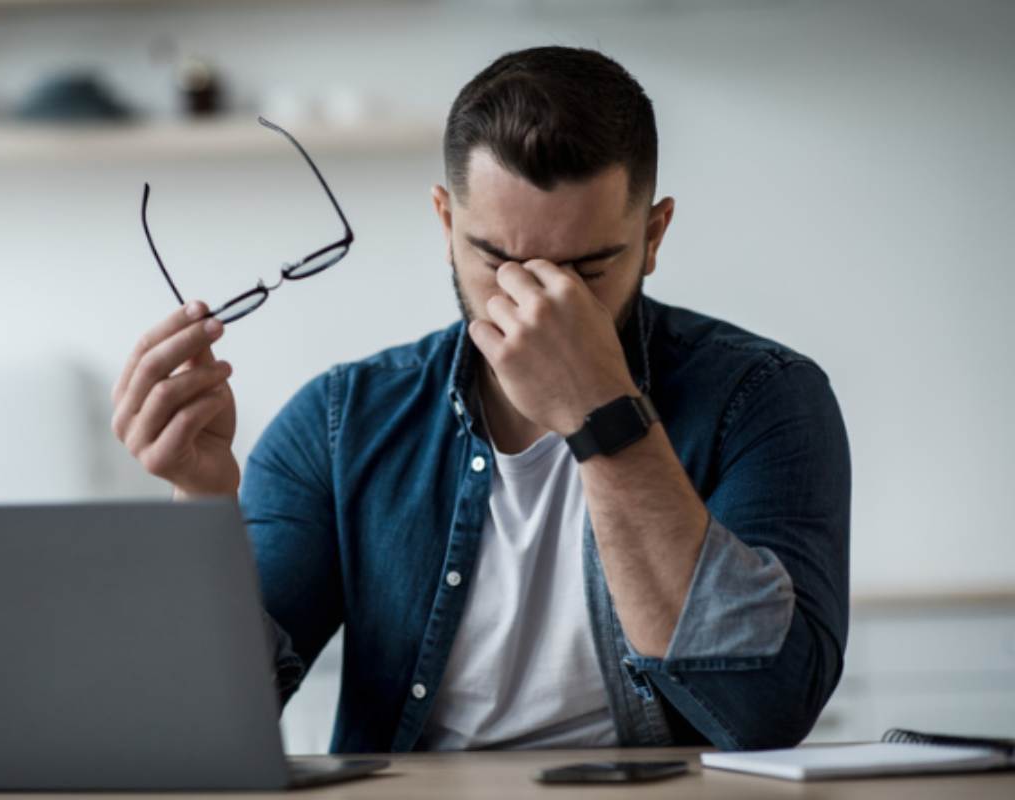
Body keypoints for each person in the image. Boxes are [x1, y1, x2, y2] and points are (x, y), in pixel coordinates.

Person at [110, 46, 851, 753]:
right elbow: (199, 722)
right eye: (496, 259)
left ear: (653, 236)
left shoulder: (764, 399)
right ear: (445, 224)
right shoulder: (342, 423)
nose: (535, 301)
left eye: (585, 270)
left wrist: (603, 415)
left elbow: (766, 711)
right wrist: (201, 499)